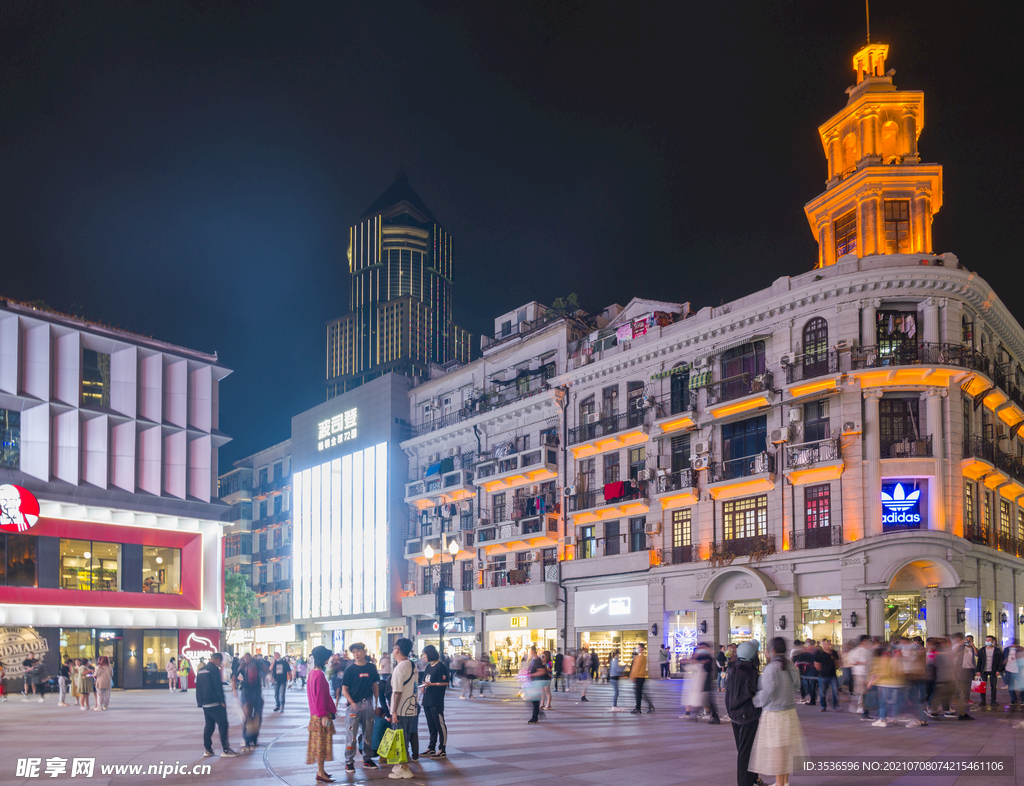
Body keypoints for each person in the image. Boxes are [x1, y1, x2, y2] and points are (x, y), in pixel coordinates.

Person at [749, 637, 806, 786]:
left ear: (773, 650)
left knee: (776, 750)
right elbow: (796, 686)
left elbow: (768, 691)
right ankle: (784, 782)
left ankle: (780, 783)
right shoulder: (790, 666)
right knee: (786, 748)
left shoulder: (771, 668)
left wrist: (755, 701)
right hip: (790, 712)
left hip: (774, 714)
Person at [726, 641, 762, 786]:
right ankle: (745, 782)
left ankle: (752, 778)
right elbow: (754, 693)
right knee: (746, 752)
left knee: (743, 749)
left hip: (734, 715)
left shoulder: (732, 670)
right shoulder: (752, 672)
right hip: (748, 715)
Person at [341, 643, 380, 773]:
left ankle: (367, 759)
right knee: (351, 735)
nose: (356, 654)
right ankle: (349, 762)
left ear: (364, 652)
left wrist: (376, 702)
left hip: (368, 704)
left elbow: (375, 685)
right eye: (354, 652)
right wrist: (351, 702)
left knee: (368, 733)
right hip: (353, 706)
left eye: (358, 651)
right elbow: (344, 689)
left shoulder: (371, 668)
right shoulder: (350, 670)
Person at [196, 653, 239, 758]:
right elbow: (217, 686)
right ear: (217, 659)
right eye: (220, 661)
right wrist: (222, 700)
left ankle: (208, 749)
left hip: (205, 702)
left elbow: (198, 687)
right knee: (223, 725)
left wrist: (200, 702)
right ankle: (226, 749)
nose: (220, 663)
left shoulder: (201, 670)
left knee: (209, 725)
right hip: (215, 702)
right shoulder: (214, 669)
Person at [389, 638, 419, 780]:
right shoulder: (412, 665)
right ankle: (400, 765)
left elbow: (397, 692)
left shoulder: (399, 667)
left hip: (401, 710)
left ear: (397, 649)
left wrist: (394, 711)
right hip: (411, 708)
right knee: (404, 738)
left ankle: (404, 768)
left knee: (400, 739)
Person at [306, 645, 337, 782]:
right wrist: (324, 714)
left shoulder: (312, 673)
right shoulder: (319, 675)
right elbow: (319, 697)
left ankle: (322, 770)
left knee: (320, 744)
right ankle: (320, 772)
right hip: (320, 715)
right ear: (324, 659)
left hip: (316, 714)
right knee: (321, 745)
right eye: (327, 658)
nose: (328, 661)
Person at [419, 645, 450, 758]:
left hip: (436, 700)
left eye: (425, 654)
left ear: (430, 653)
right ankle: (431, 747)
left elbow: (446, 683)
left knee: (439, 724)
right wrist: (422, 688)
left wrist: (432, 684)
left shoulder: (440, 666)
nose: (424, 656)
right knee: (431, 725)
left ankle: (442, 748)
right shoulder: (428, 667)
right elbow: (424, 680)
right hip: (427, 700)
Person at [237, 653, 265, 752]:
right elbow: (235, 677)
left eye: (248, 658)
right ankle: (246, 738)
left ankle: (254, 738)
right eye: (245, 658)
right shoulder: (242, 666)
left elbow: (266, 670)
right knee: (248, 716)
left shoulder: (257, 665)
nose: (246, 660)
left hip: (256, 694)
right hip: (247, 694)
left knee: (257, 717)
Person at [950, 632, 976, 720]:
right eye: (967, 639)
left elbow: (977, 654)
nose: (968, 641)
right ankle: (956, 698)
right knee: (960, 684)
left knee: (968, 684)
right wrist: (960, 644)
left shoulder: (972, 648)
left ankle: (966, 698)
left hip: (970, 668)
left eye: (970, 640)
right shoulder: (962, 647)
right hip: (962, 668)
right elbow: (954, 652)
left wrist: (973, 646)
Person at [976, 634, 1003, 710]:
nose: (987, 642)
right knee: (982, 686)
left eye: (989, 640)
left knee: (993, 686)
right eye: (986, 640)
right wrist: (978, 670)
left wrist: (999, 670)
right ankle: (982, 700)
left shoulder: (997, 650)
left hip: (993, 671)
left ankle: (993, 700)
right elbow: (979, 661)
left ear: (993, 641)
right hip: (984, 670)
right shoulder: (982, 650)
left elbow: (1000, 661)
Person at [695, 643, 719, 722]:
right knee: (706, 699)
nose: (700, 649)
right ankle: (711, 714)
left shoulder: (708, 657)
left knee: (708, 699)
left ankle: (714, 716)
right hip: (704, 681)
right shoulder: (704, 657)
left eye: (702, 648)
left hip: (707, 681)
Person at [525, 646, 549, 725]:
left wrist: (532, 675)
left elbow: (542, 671)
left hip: (537, 682)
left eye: (530, 651)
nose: (529, 653)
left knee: (534, 700)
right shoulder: (533, 660)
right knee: (531, 700)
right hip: (534, 683)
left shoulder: (538, 661)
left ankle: (535, 717)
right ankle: (538, 713)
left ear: (533, 651)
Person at [815, 639, 840, 711]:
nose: (828, 645)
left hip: (832, 675)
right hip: (823, 676)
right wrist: (821, 671)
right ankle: (823, 706)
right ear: (823, 645)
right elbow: (816, 664)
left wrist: (838, 663)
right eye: (825, 644)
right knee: (822, 692)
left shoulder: (834, 653)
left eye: (829, 643)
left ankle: (835, 705)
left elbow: (836, 663)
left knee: (835, 691)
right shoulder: (820, 653)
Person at [630, 643, 655, 714]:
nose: (637, 648)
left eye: (638, 647)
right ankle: (649, 706)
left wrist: (633, 677)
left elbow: (636, 668)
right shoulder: (643, 657)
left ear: (641, 648)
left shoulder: (639, 657)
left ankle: (638, 708)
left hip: (638, 677)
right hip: (641, 677)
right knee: (641, 693)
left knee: (638, 694)